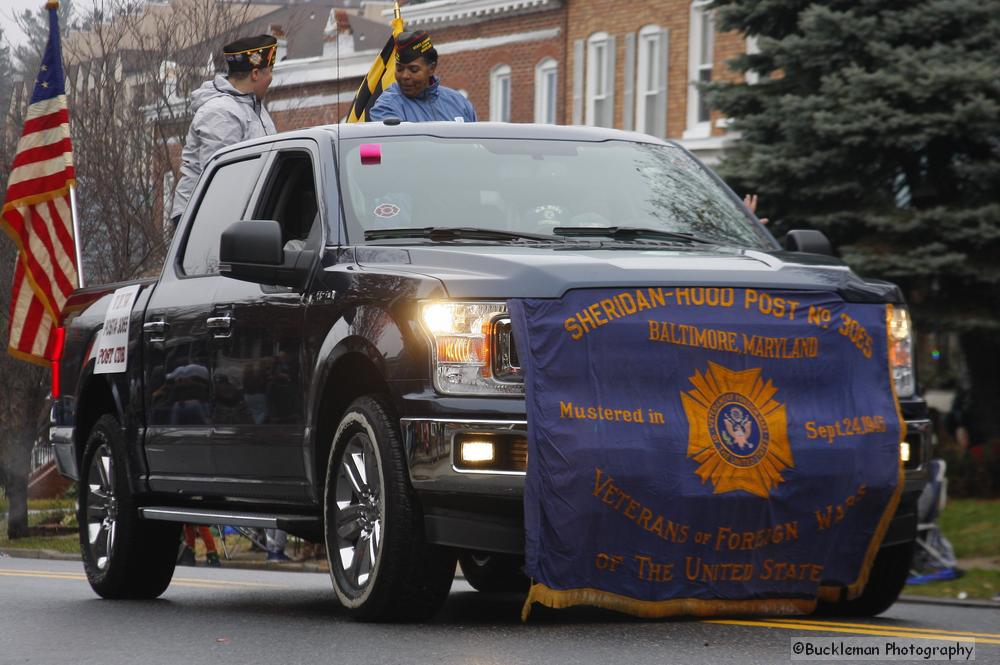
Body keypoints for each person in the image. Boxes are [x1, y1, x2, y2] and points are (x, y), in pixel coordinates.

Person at [169, 35, 278, 227]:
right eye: (269, 71)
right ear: (255, 74)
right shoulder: (221, 112)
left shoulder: (254, 109)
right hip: (201, 220)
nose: (271, 79)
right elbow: (221, 180)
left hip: (228, 214)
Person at [369, 31, 477, 123]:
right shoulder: (387, 107)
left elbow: (476, 143)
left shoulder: (459, 102)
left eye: (413, 70)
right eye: (399, 69)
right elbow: (393, 145)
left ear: (432, 69)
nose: (405, 76)